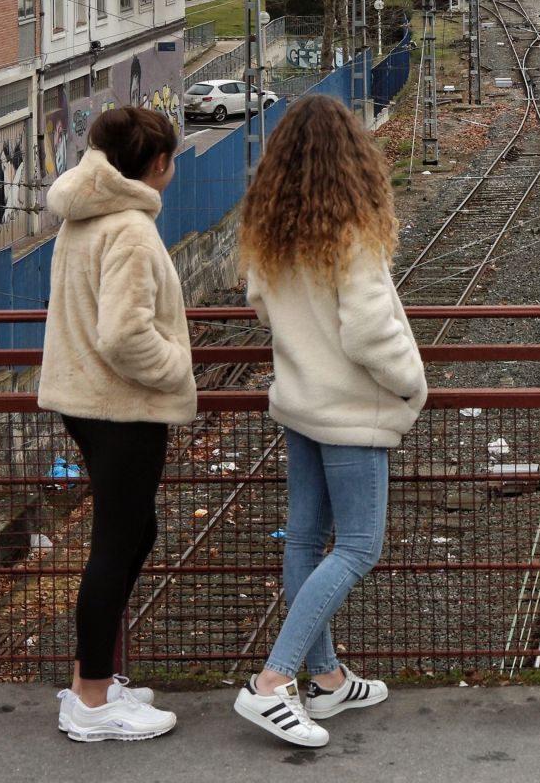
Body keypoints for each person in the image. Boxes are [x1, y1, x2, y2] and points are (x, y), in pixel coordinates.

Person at [232, 95, 427, 748]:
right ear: (353, 160)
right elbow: (372, 332)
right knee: (358, 545)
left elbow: (262, 307)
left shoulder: (268, 235)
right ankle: (273, 681)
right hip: (349, 413)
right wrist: (413, 386)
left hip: (300, 405)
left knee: (304, 540)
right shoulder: (351, 234)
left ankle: (328, 679)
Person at [38, 106, 195, 742]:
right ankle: (93, 702)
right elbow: (126, 336)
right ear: (157, 164)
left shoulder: (83, 219)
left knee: (135, 534)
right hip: (123, 407)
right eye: (172, 158)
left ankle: (90, 681)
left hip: (85, 402)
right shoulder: (129, 228)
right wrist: (178, 368)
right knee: (115, 547)